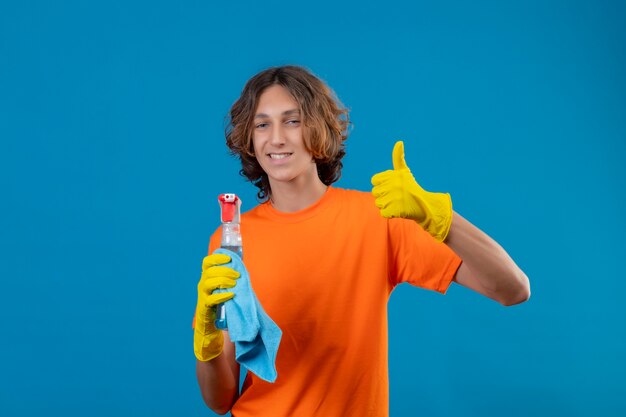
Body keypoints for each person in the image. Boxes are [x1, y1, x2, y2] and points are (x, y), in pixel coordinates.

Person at [193, 65, 530, 416]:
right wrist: (207, 341)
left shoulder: (377, 218)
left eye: (292, 121)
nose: (276, 138)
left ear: (319, 129)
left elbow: (512, 289)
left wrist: (441, 217)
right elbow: (219, 400)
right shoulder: (231, 238)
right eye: (263, 124)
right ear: (249, 137)